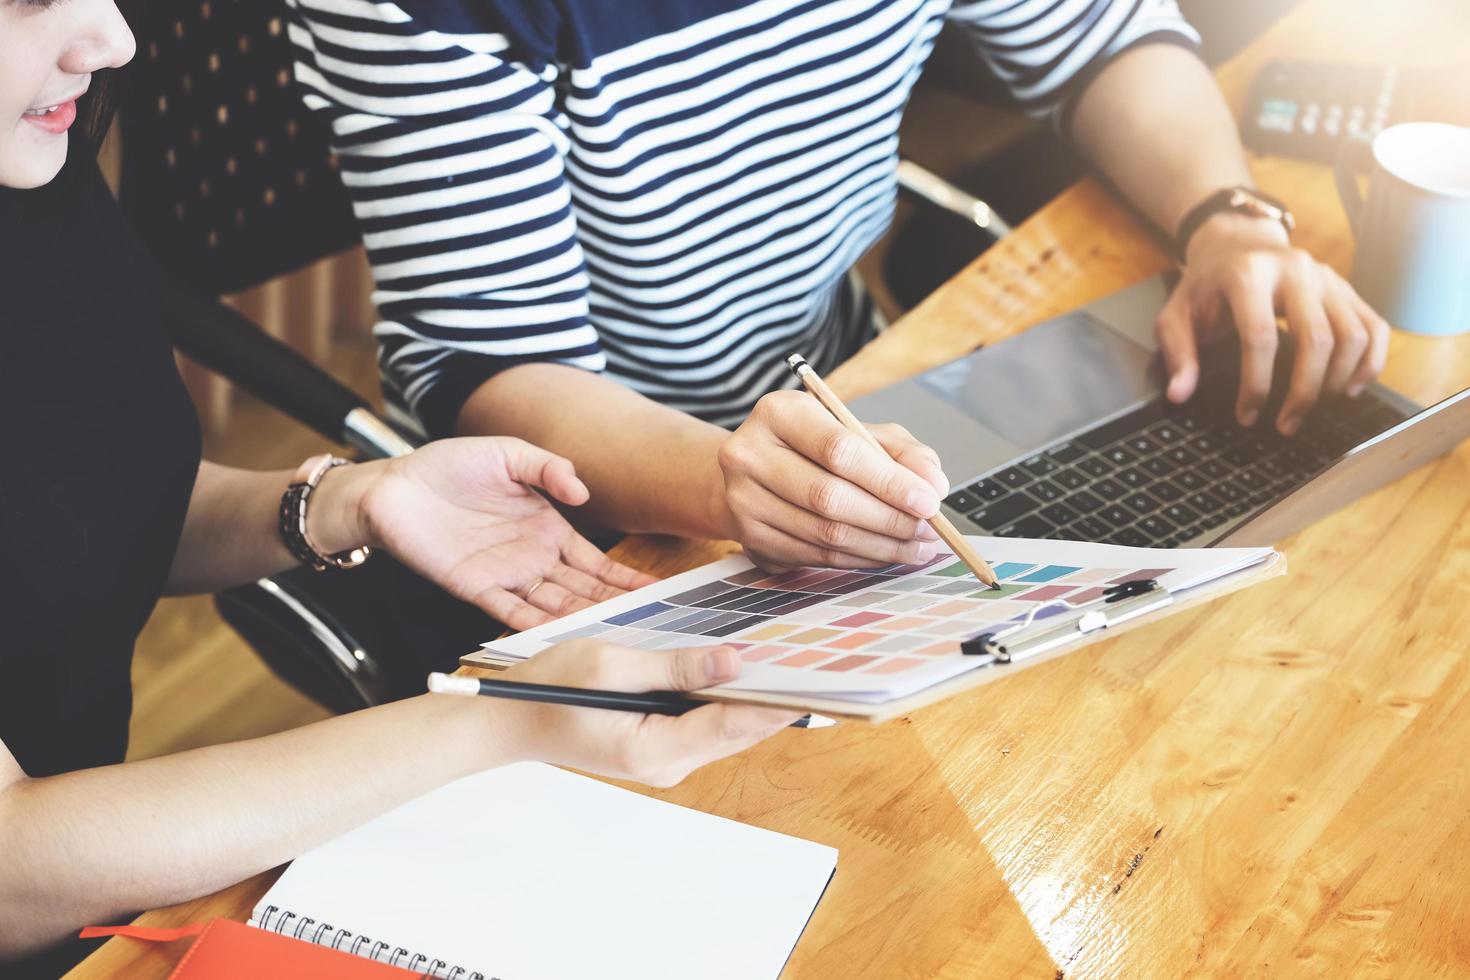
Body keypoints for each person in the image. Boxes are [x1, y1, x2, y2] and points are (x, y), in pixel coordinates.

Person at [0, 1, 799, 972]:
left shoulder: (36, 171)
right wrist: (506, 717)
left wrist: (342, 502)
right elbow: (16, 864)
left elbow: (78, 520)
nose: (117, 40)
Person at [286, 0, 1392, 573]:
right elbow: (495, 361)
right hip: (600, 509)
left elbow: (1100, 39)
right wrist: (728, 479)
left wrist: (1228, 218)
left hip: (851, 398)